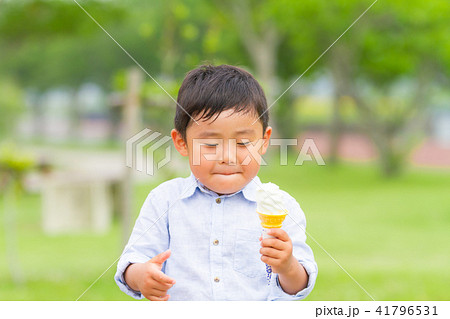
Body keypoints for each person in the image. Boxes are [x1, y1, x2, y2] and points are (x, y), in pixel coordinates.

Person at [114, 64, 317, 301]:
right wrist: (142, 276)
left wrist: (288, 266)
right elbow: (132, 262)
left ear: (264, 141)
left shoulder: (281, 206)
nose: (227, 157)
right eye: (210, 145)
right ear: (181, 143)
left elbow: (299, 285)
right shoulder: (165, 201)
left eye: (243, 143)